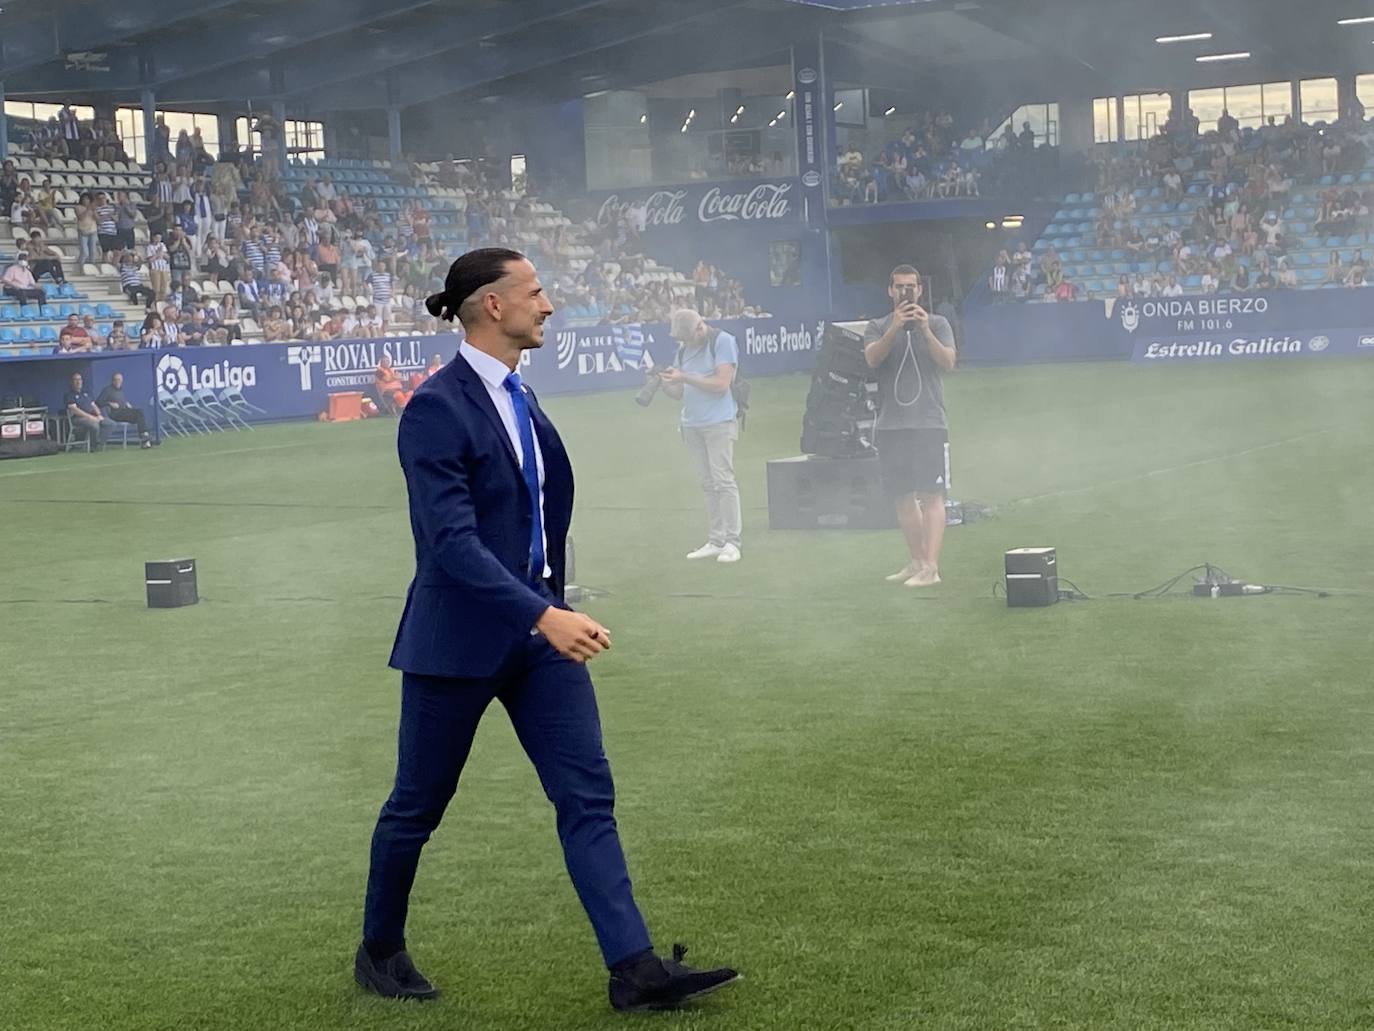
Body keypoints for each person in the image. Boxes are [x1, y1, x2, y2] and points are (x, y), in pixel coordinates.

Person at [358, 248, 739, 1013]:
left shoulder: (522, 397)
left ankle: (634, 968)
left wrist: (545, 604)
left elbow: (533, 511)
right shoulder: (436, 407)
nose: (550, 304)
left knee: (586, 795)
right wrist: (544, 611)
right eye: (535, 292)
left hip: (539, 641)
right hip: (460, 641)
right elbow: (450, 543)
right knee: (417, 805)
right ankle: (380, 948)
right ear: (492, 306)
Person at [863, 265, 957, 588]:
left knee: (932, 493)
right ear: (890, 291)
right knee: (902, 496)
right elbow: (872, 359)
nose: (906, 292)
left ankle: (931, 565)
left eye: (911, 287)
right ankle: (917, 560)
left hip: (929, 422)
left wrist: (924, 330)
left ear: (920, 289)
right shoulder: (877, 326)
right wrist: (895, 329)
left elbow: (948, 362)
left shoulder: (939, 323)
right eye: (899, 287)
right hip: (892, 424)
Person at [657, 308, 743, 564]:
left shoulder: (722, 341)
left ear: (699, 327)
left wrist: (684, 376)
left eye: (689, 338)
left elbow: (720, 385)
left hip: (719, 422)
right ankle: (716, 539)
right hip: (691, 423)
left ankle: (732, 541)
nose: (687, 344)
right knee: (707, 483)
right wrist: (665, 383)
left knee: (723, 480)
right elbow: (680, 393)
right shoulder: (684, 350)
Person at [97, 372, 153, 448]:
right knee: (139, 413)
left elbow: (121, 401)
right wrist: (109, 403)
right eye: (116, 380)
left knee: (139, 414)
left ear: (122, 380)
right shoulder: (107, 390)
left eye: (119, 380)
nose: (117, 381)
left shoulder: (120, 390)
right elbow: (98, 402)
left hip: (123, 412)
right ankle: (145, 437)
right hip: (115, 414)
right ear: (112, 381)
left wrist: (126, 403)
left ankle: (145, 439)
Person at [64, 372, 113, 450]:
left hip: (93, 416)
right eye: (76, 380)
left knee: (110, 423)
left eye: (80, 379)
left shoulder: (86, 393)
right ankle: (93, 446)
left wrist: (99, 414)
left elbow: (94, 405)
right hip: (78, 418)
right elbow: (75, 410)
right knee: (95, 425)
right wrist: (89, 417)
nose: (78, 382)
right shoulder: (70, 395)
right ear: (72, 382)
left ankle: (100, 443)